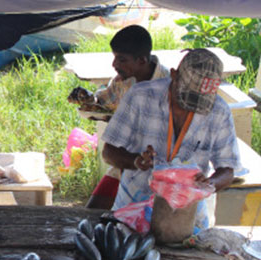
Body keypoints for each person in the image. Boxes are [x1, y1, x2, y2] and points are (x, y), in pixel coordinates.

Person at [100, 48, 242, 232]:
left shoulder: (220, 111)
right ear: (174, 74)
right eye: (185, 98)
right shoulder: (140, 96)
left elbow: (227, 169)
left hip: (186, 217)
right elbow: (109, 153)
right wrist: (136, 161)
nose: (188, 108)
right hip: (133, 209)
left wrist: (209, 184)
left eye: (198, 103)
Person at [67, 25, 169, 208]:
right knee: (93, 211)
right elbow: (104, 101)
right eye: (115, 57)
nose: (115, 65)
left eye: (121, 59)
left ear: (141, 60)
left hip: (159, 168)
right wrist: (88, 97)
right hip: (126, 161)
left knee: (140, 221)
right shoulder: (123, 81)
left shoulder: (168, 86)